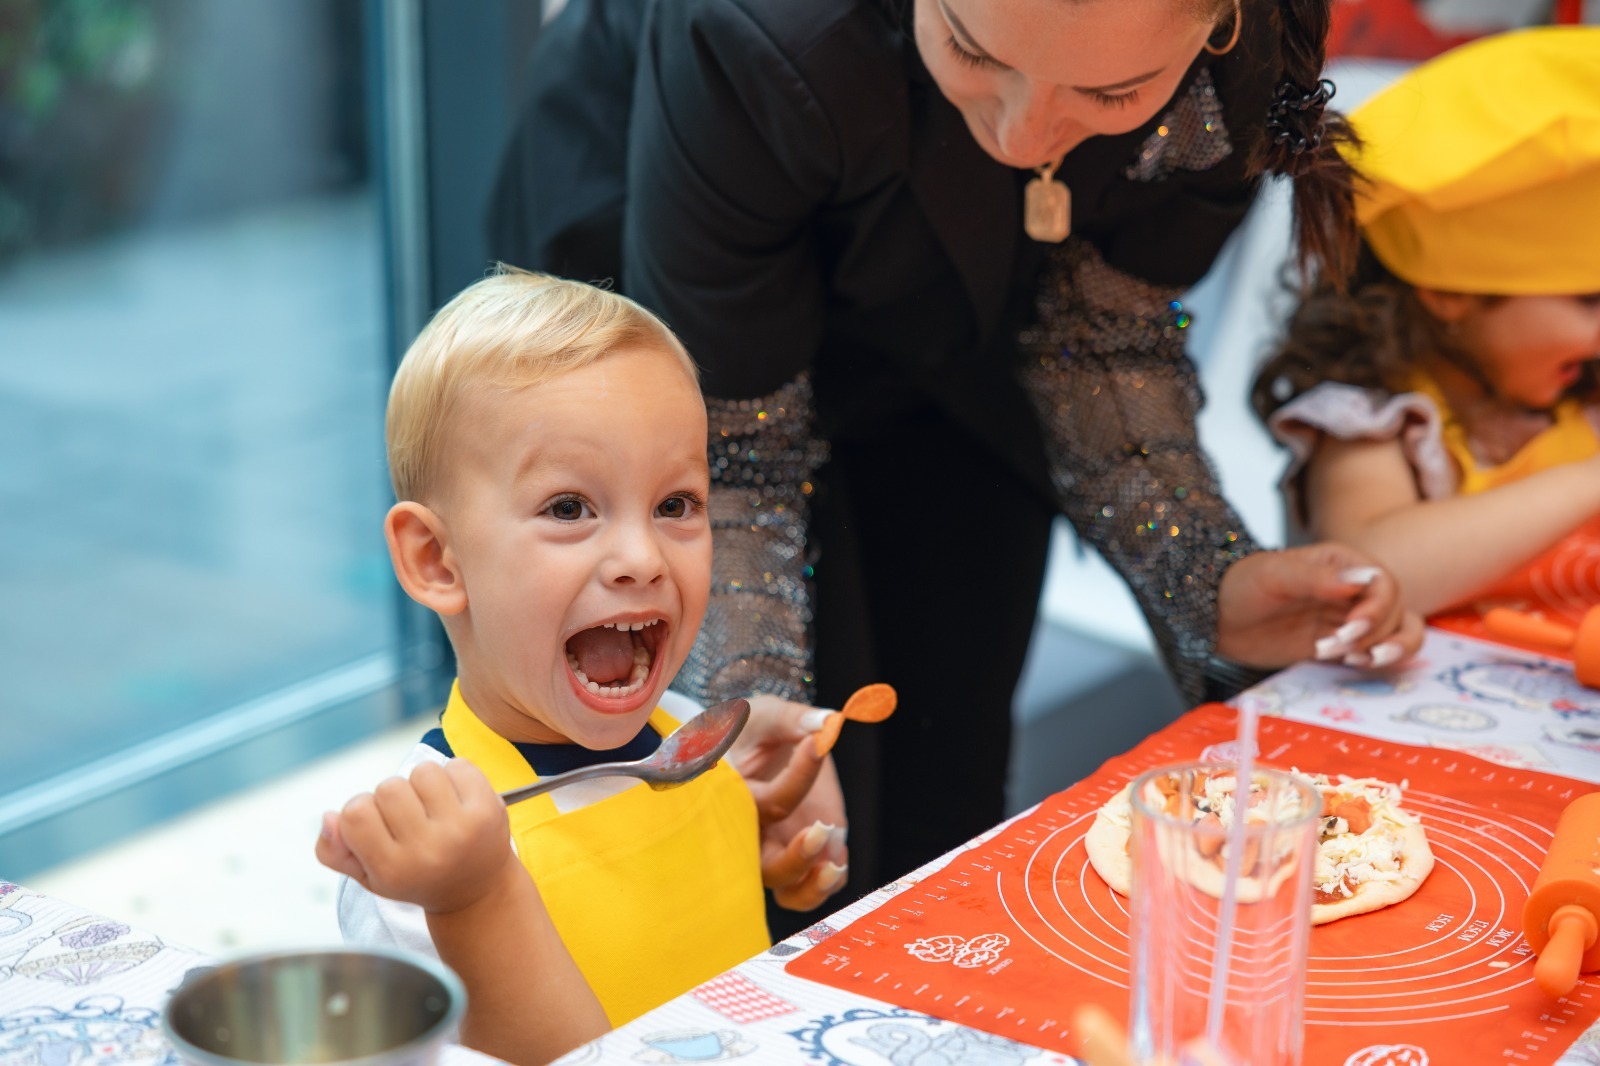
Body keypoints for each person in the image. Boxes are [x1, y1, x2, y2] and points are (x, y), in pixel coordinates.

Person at [488, 0, 1425, 920]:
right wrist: (754, 708)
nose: (1025, 136)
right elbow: (731, 448)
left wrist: (1207, 577)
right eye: (978, 53)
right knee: (784, 829)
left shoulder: (1243, 65)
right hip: (689, 279)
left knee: (945, 780)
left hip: (973, 320)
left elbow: (1101, 337)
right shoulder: (758, 29)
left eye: (1112, 92)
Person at [316, 268, 841, 1065]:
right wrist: (473, 898)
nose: (641, 557)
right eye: (569, 509)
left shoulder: (694, 740)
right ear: (437, 560)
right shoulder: (420, 854)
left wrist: (771, 860)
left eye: (676, 505)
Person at [1254, 27, 1600, 630]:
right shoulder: (1376, 419)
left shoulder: (1581, 403)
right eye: (1590, 302)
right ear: (1449, 294)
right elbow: (1372, 567)